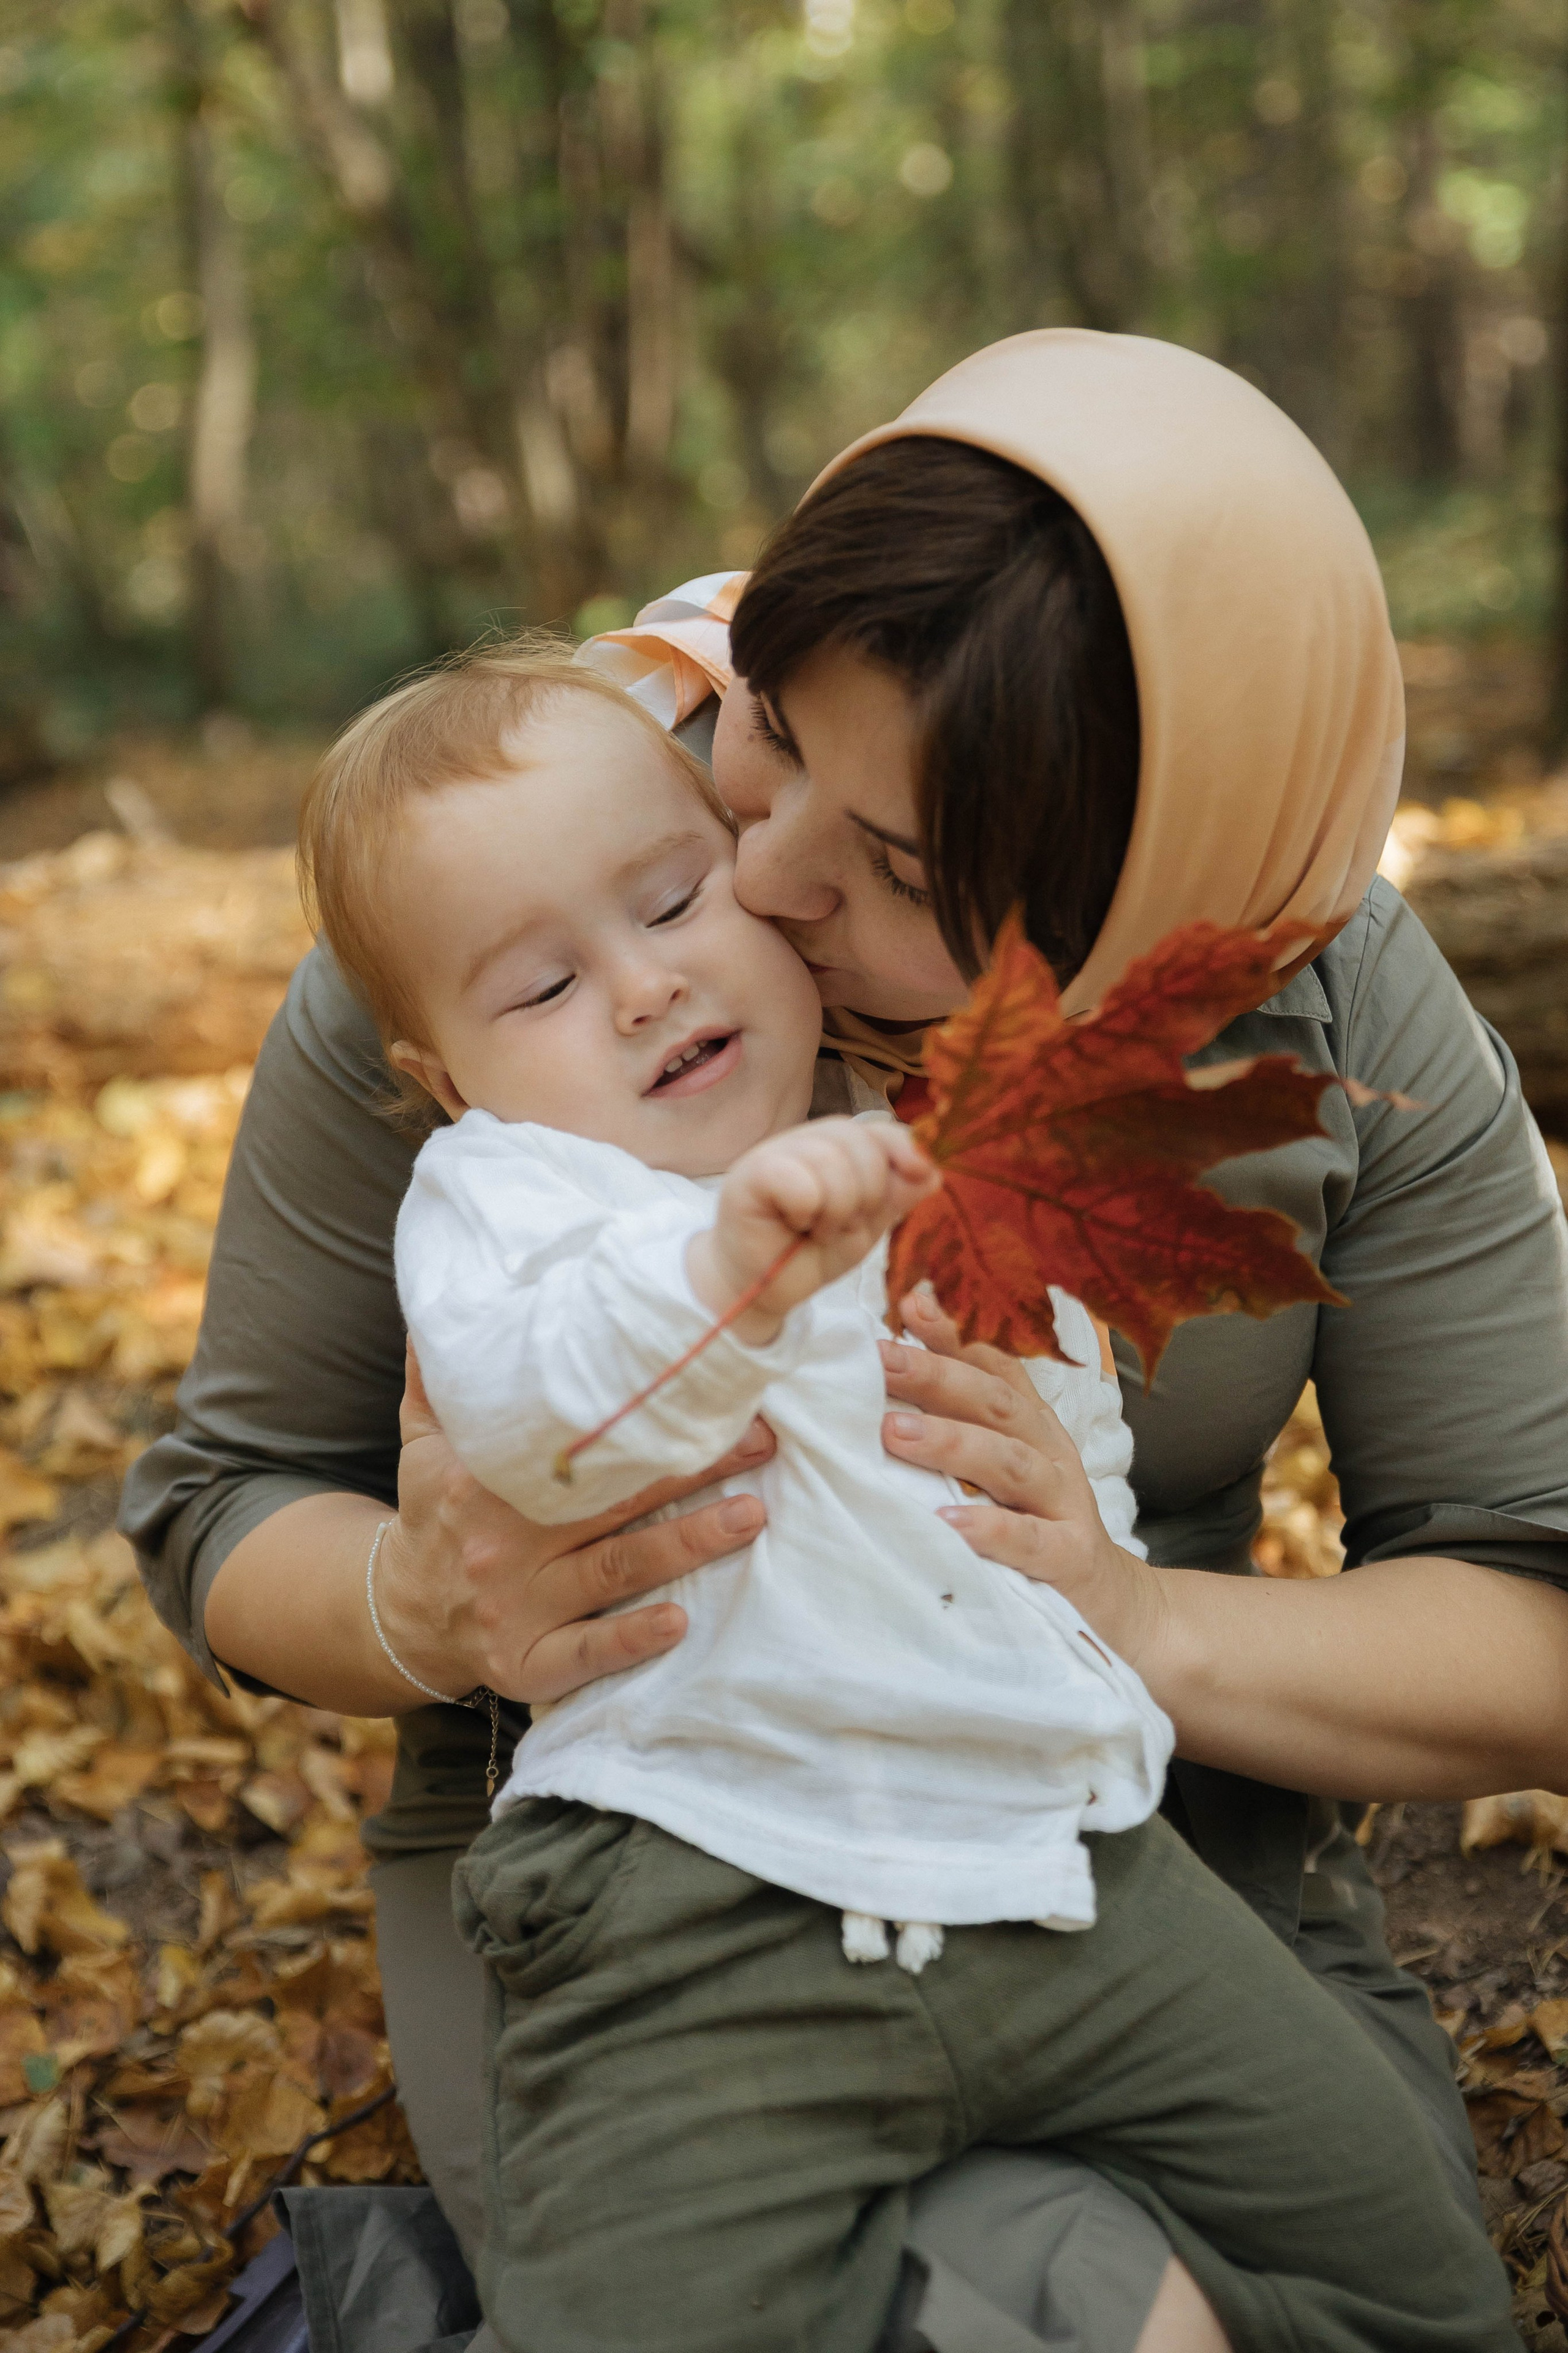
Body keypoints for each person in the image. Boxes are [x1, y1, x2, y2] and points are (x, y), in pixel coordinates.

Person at [122, 330, 1568, 2353]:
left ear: (1146, 914)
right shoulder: (533, 917)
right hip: (665, 1875)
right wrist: (429, 1600)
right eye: (778, 735)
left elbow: (1536, 1619)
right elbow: (221, 1505)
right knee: (1085, 2315)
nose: (766, 875)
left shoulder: (1317, 1008)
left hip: (1130, 1839)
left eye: (900, 869)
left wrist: (1129, 1622)